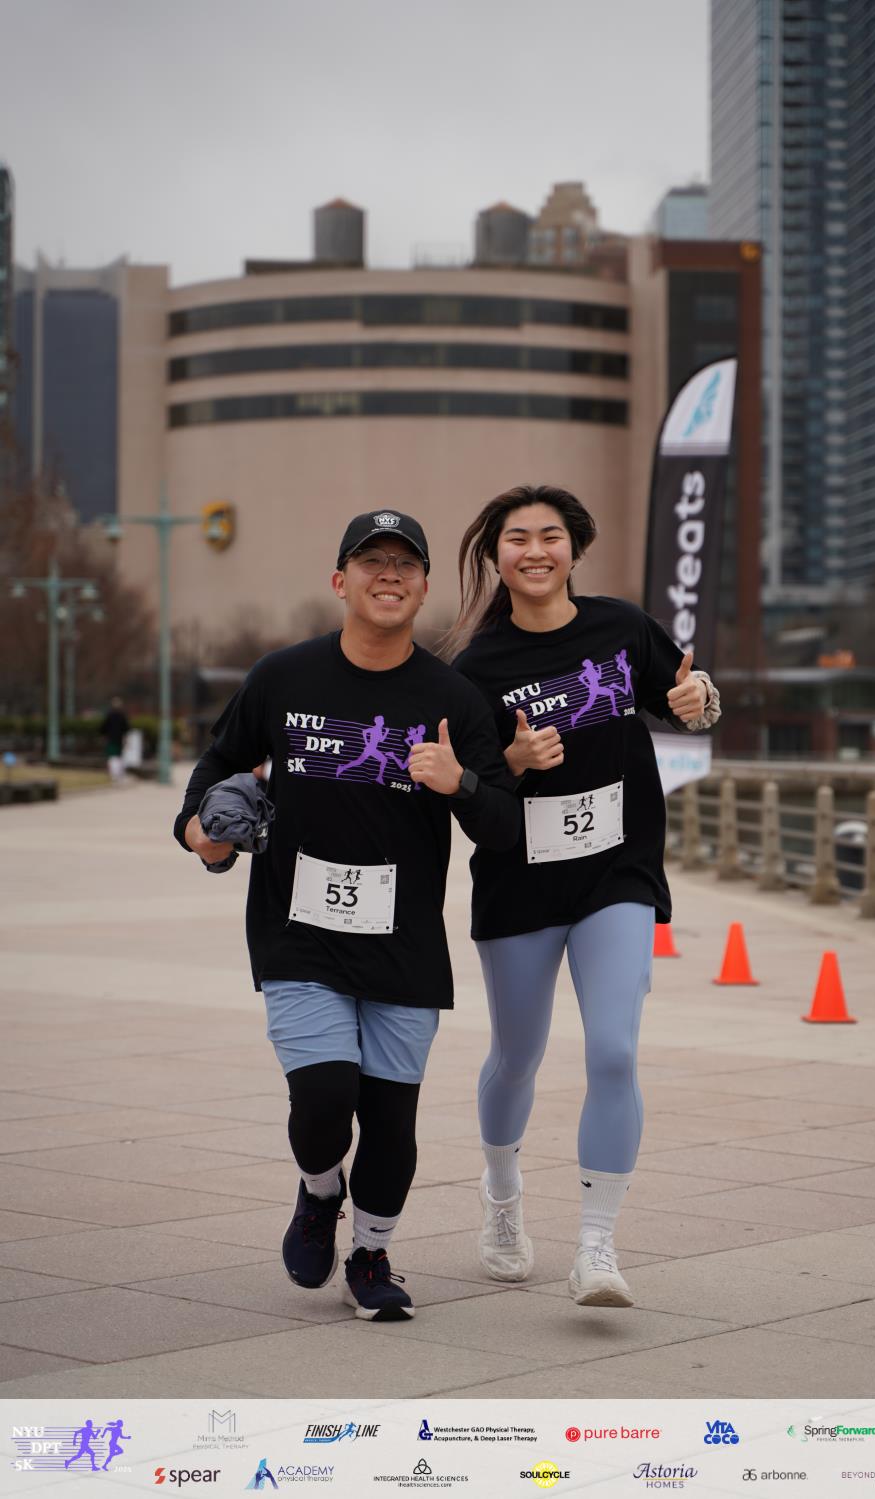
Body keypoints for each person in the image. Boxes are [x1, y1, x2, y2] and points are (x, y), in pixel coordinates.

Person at [174, 510, 519, 1321]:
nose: (388, 574)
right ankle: (320, 1189)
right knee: (325, 1096)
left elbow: (504, 825)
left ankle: (370, 1253)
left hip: (404, 939)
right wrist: (201, 833)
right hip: (298, 930)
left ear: (424, 589)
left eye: (406, 563)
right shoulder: (283, 677)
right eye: (371, 561)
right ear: (340, 580)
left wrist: (460, 783)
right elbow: (217, 766)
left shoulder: (452, 698)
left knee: (391, 1120)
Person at [447, 484, 720, 1308]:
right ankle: (502, 1193)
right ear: (495, 556)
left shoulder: (620, 628)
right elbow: (469, 794)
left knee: (613, 1052)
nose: (536, 550)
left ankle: (596, 1245)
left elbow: (689, 698)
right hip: (520, 880)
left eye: (551, 535)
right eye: (517, 538)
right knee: (517, 1056)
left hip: (616, 870)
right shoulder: (474, 669)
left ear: (575, 548)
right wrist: (514, 763)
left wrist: (699, 701)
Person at [100, 697, 130, 784]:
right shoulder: (122, 716)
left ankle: (114, 775)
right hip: (119, 740)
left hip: (111, 739)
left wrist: (104, 736)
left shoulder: (109, 715)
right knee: (118, 758)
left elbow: (103, 728)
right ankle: (118, 776)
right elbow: (127, 729)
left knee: (113, 757)